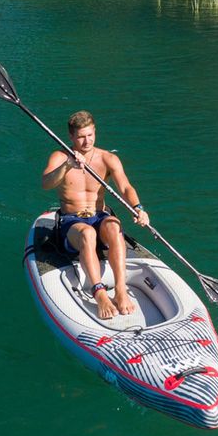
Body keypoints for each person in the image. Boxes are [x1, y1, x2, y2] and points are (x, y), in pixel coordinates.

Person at [42, 110, 150, 319]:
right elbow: (46, 183)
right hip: (71, 221)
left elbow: (126, 187)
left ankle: (120, 290)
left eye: (90, 135)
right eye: (81, 136)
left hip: (98, 215)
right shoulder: (60, 156)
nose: (86, 141)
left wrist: (139, 208)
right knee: (87, 234)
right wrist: (66, 167)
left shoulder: (107, 158)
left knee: (114, 225)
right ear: (71, 137)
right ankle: (99, 293)